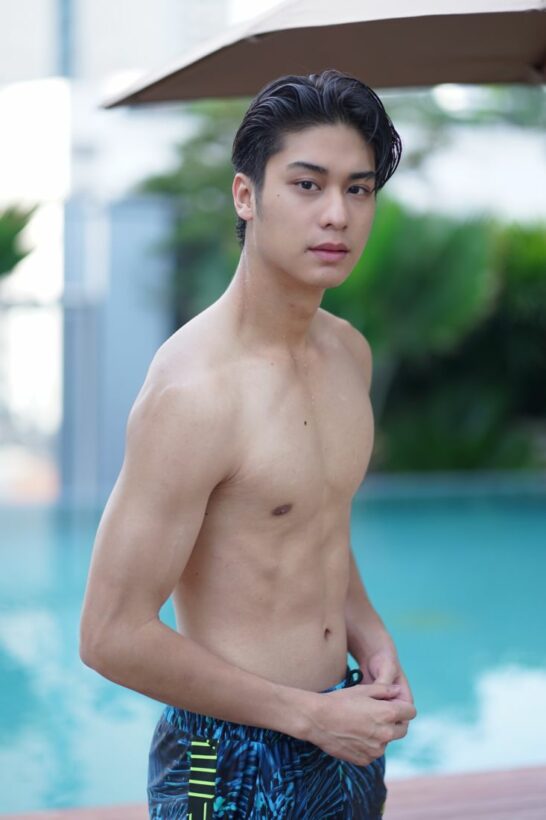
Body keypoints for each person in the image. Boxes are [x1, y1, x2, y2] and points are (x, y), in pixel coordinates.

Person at [79, 67, 417, 819]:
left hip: (342, 727)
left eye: (359, 189)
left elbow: (315, 525)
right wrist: (308, 716)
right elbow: (109, 634)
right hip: (226, 758)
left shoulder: (348, 355)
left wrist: (370, 636)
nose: (337, 214)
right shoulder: (193, 394)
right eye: (307, 185)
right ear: (245, 195)